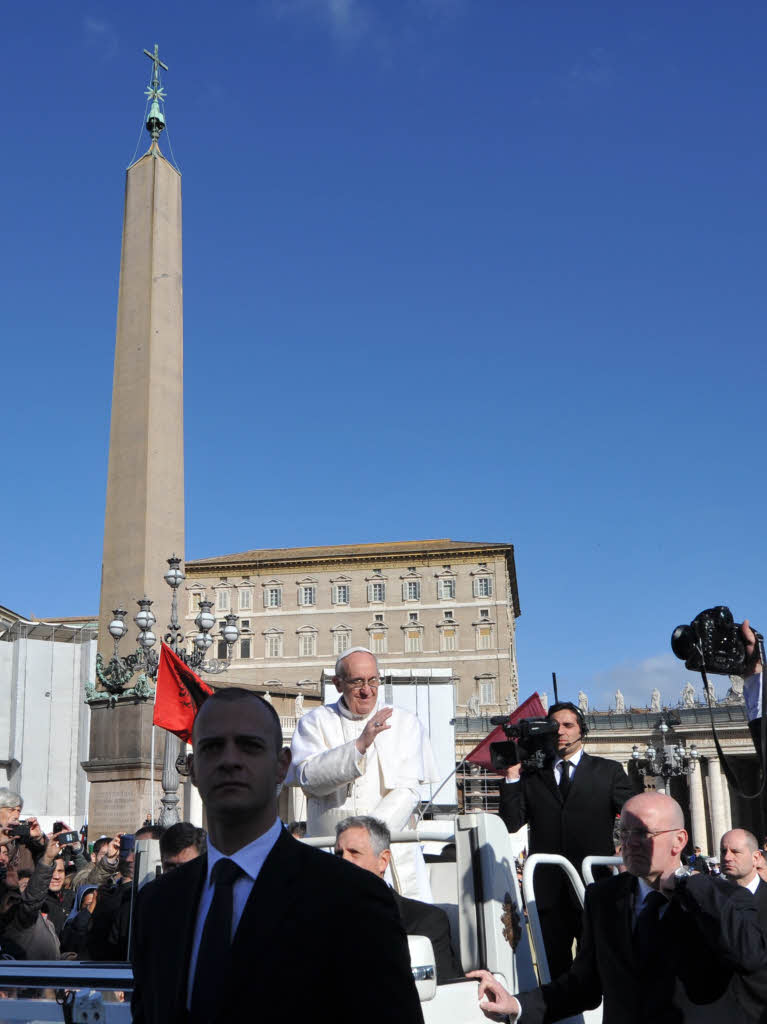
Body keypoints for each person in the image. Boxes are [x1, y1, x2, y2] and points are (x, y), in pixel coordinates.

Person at [131, 687, 423, 1024]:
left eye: (250, 746)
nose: (230, 760)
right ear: (194, 768)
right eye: (212, 747)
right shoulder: (157, 904)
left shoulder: (353, 898)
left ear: (282, 766)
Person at [468, 793, 767, 1023]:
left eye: (643, 834)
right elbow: (583, 985)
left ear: (679, 840)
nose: (630, 844)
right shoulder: (604, 898)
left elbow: (749, 953)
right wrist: (517, 1004)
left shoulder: (721, 896)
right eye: (624, 833)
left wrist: (693, 885)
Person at [288, 647, 440, 899]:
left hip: (388, 854)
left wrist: (367, 842)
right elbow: (309, 779)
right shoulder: (315, 722)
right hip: (330, 853)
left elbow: (408, 790)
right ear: (338, 684)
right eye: (357, 681)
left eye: (373, 680)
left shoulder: (404, 722)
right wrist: (359, 746)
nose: (367, 690)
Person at [497, 700, 636, 977]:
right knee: (553, 972)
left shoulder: (608, 772)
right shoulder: (533, 775)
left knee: (598, 968)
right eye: (554, 726)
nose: (560, 731)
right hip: (547, 891)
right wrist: (512, 776)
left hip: (594, 885)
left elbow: (637, 813)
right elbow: (512, 822)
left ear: (581, 730)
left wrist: (629, 850)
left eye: (568, 725)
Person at [334, 815, 461, 984]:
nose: (343, 860)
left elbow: (443, 994)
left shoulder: (425, 921)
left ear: (383, 861)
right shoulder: (318, 920)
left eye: (354, 853)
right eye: (338, 853)